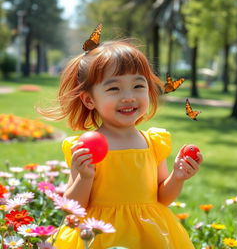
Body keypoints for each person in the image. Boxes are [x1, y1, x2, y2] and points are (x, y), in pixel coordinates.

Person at [39, 25, 203, 249]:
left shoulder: (153, 142)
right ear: (89, 100)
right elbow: (74, 206)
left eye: (138, 85)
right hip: (100, 234)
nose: (128, 97)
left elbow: (162, 198)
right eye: (114, 89)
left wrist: (177, 177)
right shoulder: (85, 146)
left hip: (148, 233)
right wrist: (84, 177)